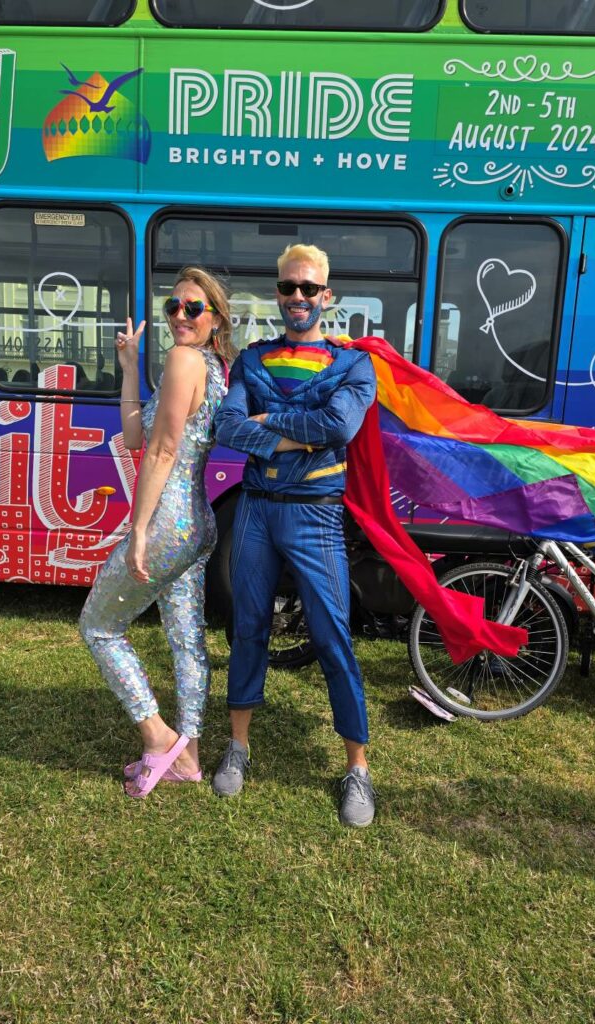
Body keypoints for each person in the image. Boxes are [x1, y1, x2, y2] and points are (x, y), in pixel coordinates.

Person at [212, 243, 379, 827]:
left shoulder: (354, 364)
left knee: (333, 635)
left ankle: (357, 768)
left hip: (316, 515)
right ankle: (238, 745)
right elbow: (227, 427)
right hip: (257, 511)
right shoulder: (253, 360)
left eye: (309, 289)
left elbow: (341, 426)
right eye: (289, 288)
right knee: (248, 627)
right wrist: (299, 435)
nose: (299, 299)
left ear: (326, 297)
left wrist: (270, 424)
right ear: (277, 293)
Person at [80, 267, 235, 798]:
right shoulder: (215, 367)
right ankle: (188, 758)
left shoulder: (184, 359)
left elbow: (163, 452)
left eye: (194, 308)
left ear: (215, 317)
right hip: (199, 523)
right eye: (173, 307)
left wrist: (140, 529)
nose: (180, 317)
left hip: (169, 522)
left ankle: (157, 736)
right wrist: (128, 368)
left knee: (98, 629)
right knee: (186, 642)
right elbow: (132, 436)